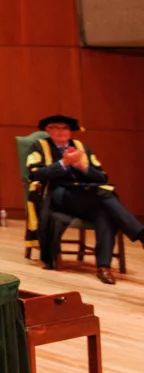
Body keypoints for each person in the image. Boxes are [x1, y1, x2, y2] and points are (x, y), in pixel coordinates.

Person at [26, 115, 143, 285]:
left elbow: (102, 176)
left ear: (70, 132)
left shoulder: (82, 148)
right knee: (106, 197)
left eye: (64, 128)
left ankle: (104, 267)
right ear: (48, 130)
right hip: (59, 194)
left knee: (104, 213)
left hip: (87, 196)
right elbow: (35, 174)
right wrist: (64, 163)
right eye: (55, 127)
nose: (60, 131)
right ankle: (140, 234)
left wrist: (81, 166)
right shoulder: (39, 146)